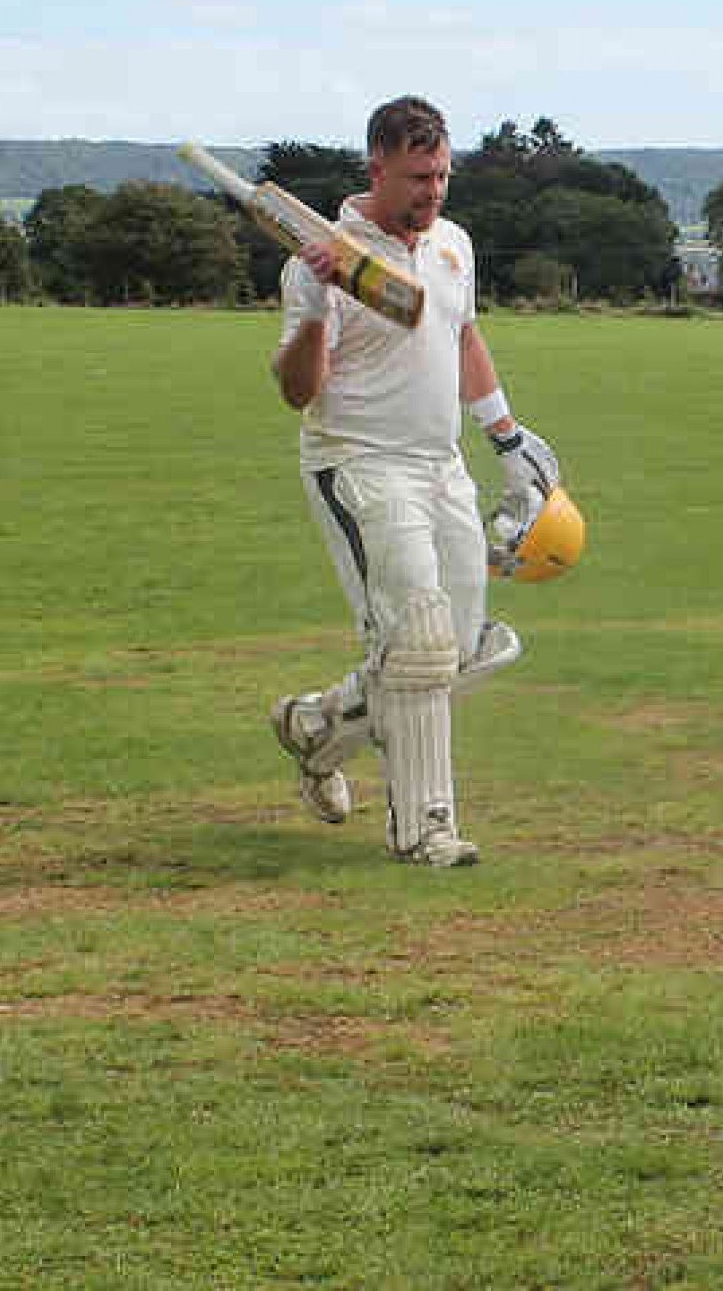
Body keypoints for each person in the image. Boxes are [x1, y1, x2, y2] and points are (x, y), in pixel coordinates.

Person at [269, 94, 560, 869]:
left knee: (461, 649)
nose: (433, 193)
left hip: (442, 465)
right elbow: (299, 391)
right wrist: (317, 307)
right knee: (420, 641)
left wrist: (507, 436)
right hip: (358, 462)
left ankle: (316, 726)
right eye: (418, 177)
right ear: (377, 166)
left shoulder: (453, 244)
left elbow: (463, 336)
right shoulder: (321, 258)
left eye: (442, 176)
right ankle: (423, 829)